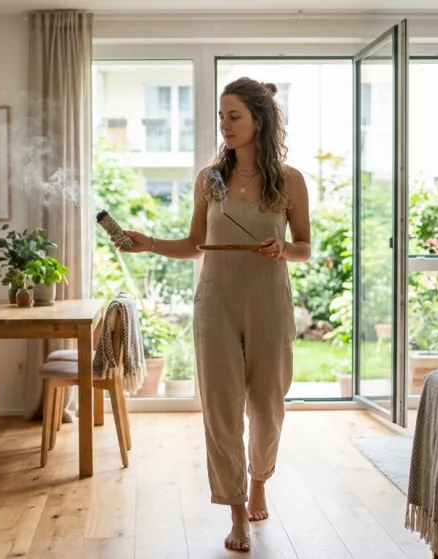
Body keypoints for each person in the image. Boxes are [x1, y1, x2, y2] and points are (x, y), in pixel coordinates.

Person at [114, 77, 310, 552]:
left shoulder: (289, 179)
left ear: (258, 120)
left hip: (268, 302)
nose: (225, 125)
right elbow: (195, 244)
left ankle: (260, 477)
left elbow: (304, 247)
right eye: (221, 117)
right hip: (215, 304)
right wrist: (150, 244)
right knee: (221, 413)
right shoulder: (211, 179)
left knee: (267, 407)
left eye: (234, 116)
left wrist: (284, 247)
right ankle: (237, 510)